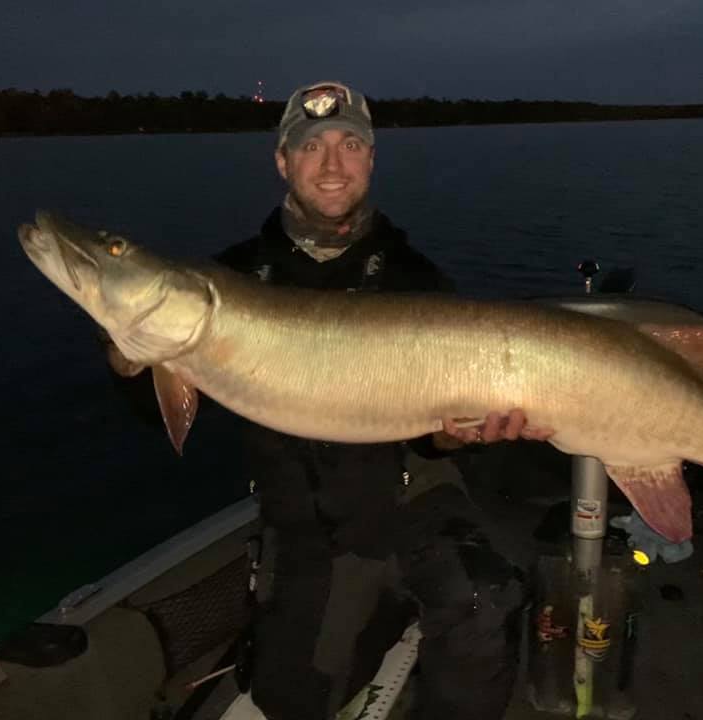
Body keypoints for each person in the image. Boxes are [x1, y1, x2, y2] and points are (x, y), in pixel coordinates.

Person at [108, 81, 538, 720]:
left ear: (371, 160)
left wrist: (459, 432)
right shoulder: (229, 277)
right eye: (311, 147)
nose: (332, 166)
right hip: (306, 519)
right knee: (293, 697)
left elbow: (431, 434)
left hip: (411, 500)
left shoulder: (412, 278)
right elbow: (155, 411)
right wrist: (128, 358)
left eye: (351, 145)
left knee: (487, 599)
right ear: (283, 162)